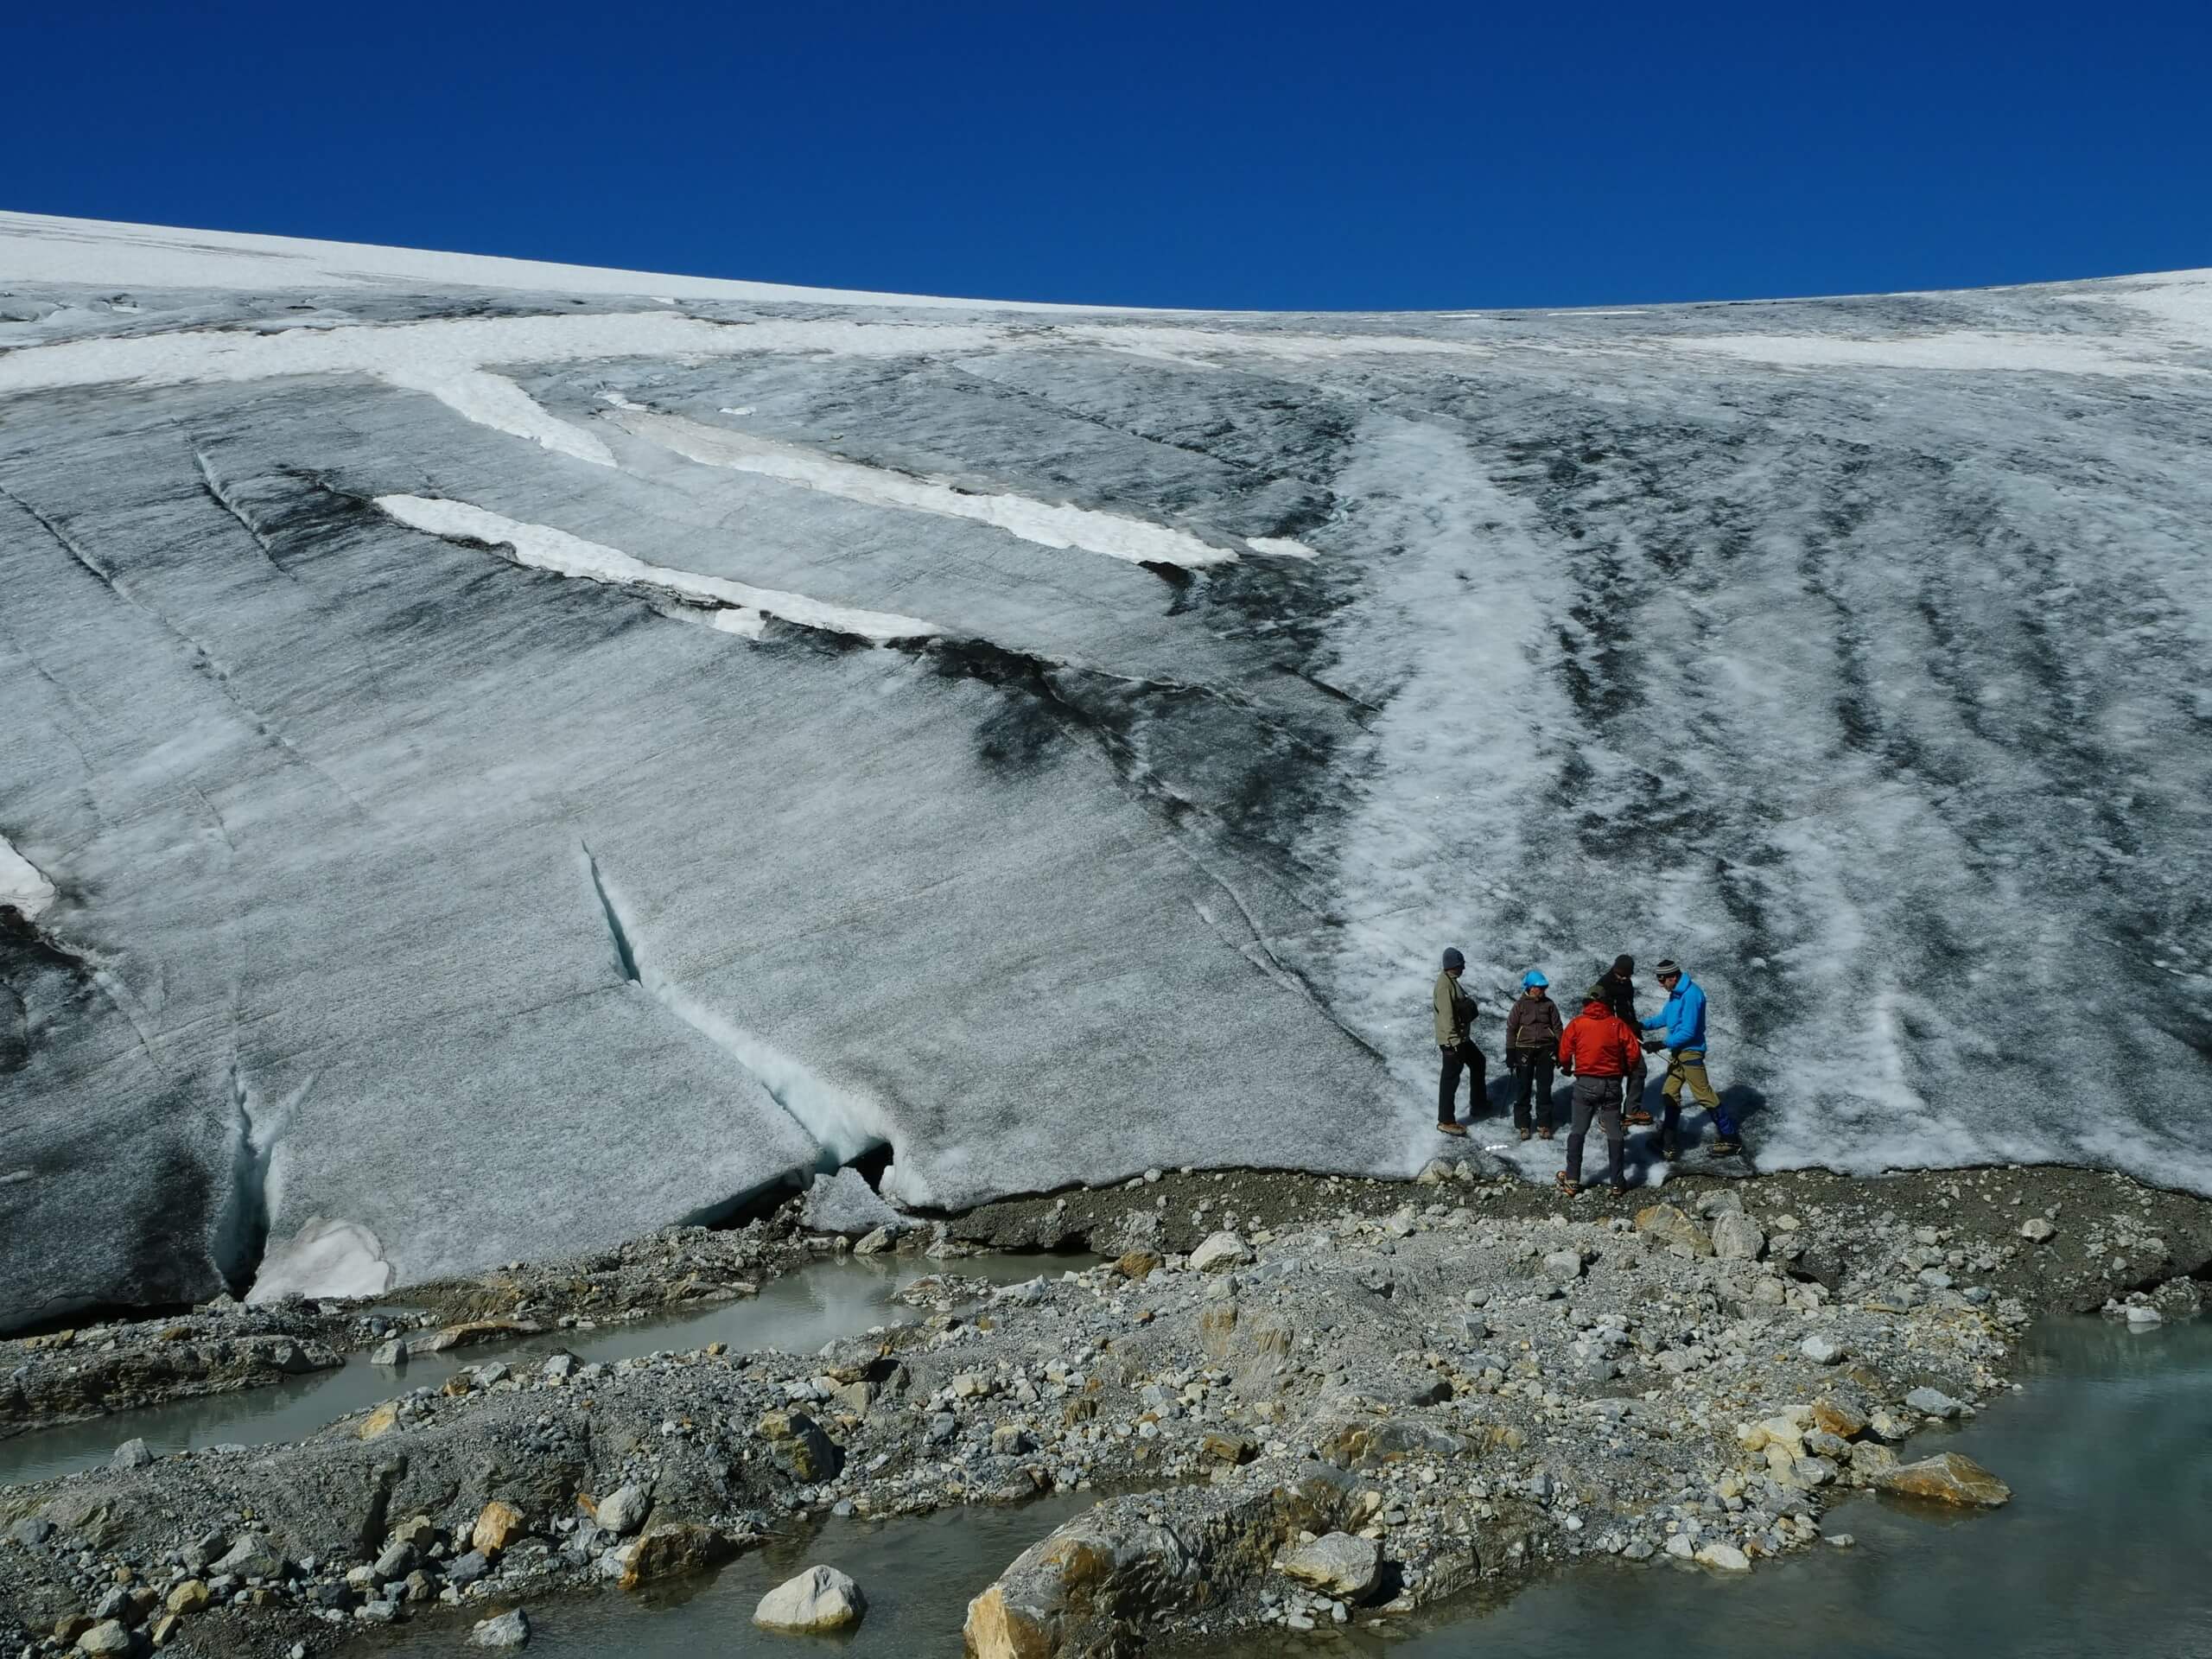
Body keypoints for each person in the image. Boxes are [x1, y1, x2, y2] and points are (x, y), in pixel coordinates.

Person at [1643, 958, 1740, 1156]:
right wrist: (1642, 1025)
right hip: (1679, 1052)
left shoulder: (1691, 995)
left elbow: (1688, 1031)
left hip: (1690, 1052)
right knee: (1670, 1092)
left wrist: (1661, 1044)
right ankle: (1668, 1141)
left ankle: (1730, 1139)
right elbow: (1666, 1018)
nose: (1660, 984)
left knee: (1704, 1094)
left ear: (1673, 977)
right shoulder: (1676, 994)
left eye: (1662, 980)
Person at [1555, 988, 1642, 1195]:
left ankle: (1573, 1179)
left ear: (1587, 1002)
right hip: (1612, 1084)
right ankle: (1617, 1182)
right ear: (1607, 1002)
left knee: (1578, 1130)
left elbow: (1564, 1052)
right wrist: (1627, 1069)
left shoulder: (1577, 1023)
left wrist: (1566, 1068)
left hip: (1585, 1083)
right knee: (1614, 1132)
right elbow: (1634, 1051)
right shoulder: (1617, 1024)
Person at [1592, 954, 1653, 1126]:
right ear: (1615, 970)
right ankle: (1608, 1116)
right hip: (1612, 1038)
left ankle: (1631, 1111)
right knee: (1614, 1076)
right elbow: (1599, 1015)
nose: (1625, 978)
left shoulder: (1627, 984)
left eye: (1628, 975)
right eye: (1622, 975)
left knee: (1638, 1071)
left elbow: (1628, 1009)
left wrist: (1635, 1029)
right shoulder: (1603, 985)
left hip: (1630, 1035)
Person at [1503, 970, 1562, 1141]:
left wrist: (1559, 1049)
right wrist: (1510, 1052)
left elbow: (1558, 1028)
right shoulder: (1520, 1006)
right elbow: (1511, 1029)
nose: (1543, 990)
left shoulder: (1550, 1005)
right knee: (1524, 1087)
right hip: (1524, 1049)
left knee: (1545, 1088)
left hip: (1546, 1049)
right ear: (1530, 987)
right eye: (1539, 987)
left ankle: (1544, 1124)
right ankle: (1523, 1124)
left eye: (1544, 987)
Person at [1433, 947, 1483, 1137]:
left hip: (1461, 1039)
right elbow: (1446, 1017)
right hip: (1452, 1041)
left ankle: (1479, 1103)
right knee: (1450, 1079)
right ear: (1453, 965)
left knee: (1478, 1062)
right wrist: (1454, 1042)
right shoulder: (1444, 986)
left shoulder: (1451, 982)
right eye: (1461, 964)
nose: (1463, 968)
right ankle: (1446, 1121)